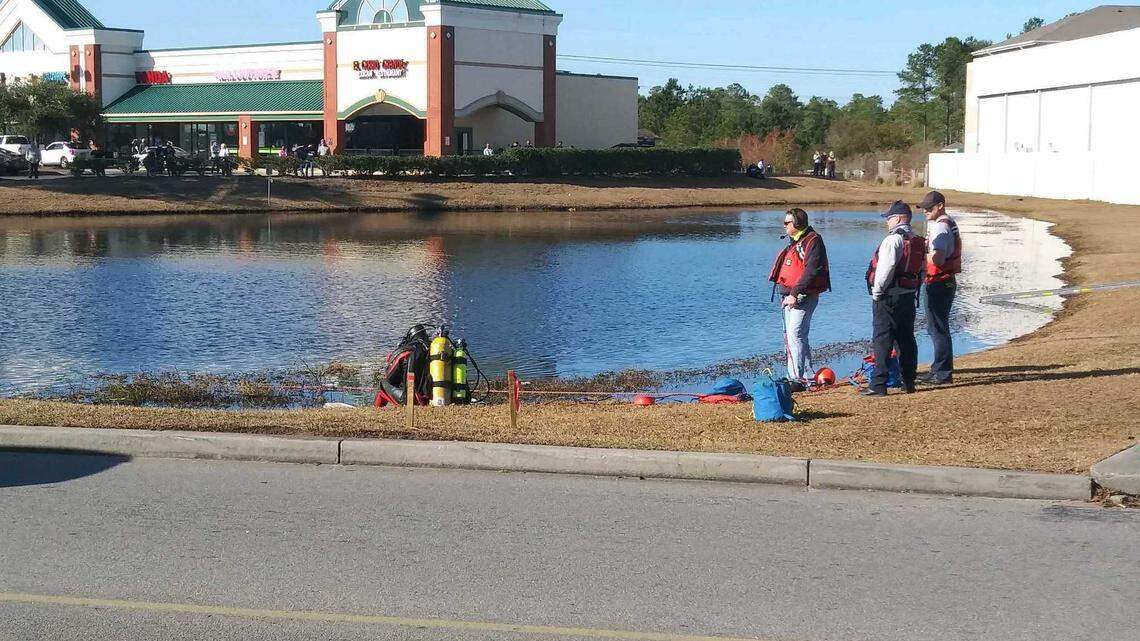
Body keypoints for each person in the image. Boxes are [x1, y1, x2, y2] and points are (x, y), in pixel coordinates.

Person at [862, 200, 925, 396]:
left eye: (889, 218)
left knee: (882, 339)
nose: (887, 222)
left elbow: (885, 270)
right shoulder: (917, 240)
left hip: (888, 297)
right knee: (906, 339)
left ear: (898, 218)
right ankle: (909, 382)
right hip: (908, 297)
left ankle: (878, 385)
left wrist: (877, 293)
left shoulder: (892, 240)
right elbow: (922, 270)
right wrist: (915, 289)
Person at [768, 208, 831, 384]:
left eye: (787, 222)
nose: (784, 226)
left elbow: (812, 270)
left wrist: (795, 293)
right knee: (794, 336)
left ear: (797, 224)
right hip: (788, 295)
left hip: (803, 296)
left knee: (795, 335)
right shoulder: (795, 241)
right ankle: (808, 375)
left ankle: (795, 379)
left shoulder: (813, 240)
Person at [917, 191, 962, 385]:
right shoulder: (947, 223)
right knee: (938, 326)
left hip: (939, 282)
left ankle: (942, 374)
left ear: (940, 206)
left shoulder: (941, 227)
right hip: (945, 281)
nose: (925, 211)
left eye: (929, 208)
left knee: (937, 328)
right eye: (924, 208)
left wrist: (920, 255)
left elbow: (938, 258)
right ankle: (940, 368)